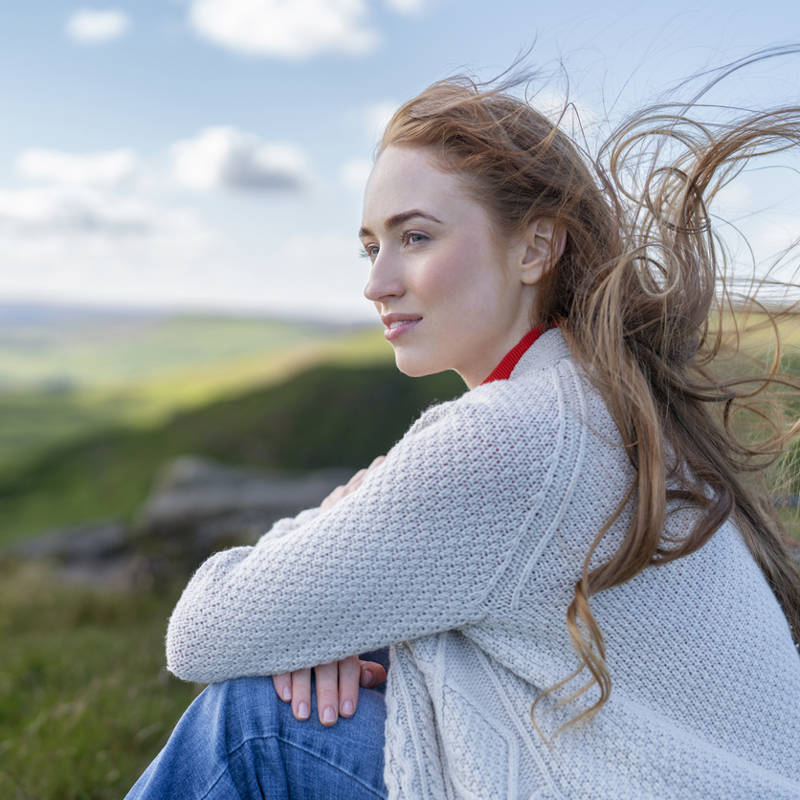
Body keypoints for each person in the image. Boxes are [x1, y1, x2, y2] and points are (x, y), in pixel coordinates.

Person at [125, 46, 800, 799]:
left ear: (536, 246)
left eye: (415, 238)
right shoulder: (594, 394)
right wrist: (334, 626)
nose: (377, 282)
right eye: (371, 246)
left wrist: (337, 519)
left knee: (253, 723)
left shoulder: (511, 435)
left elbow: (202, 628)